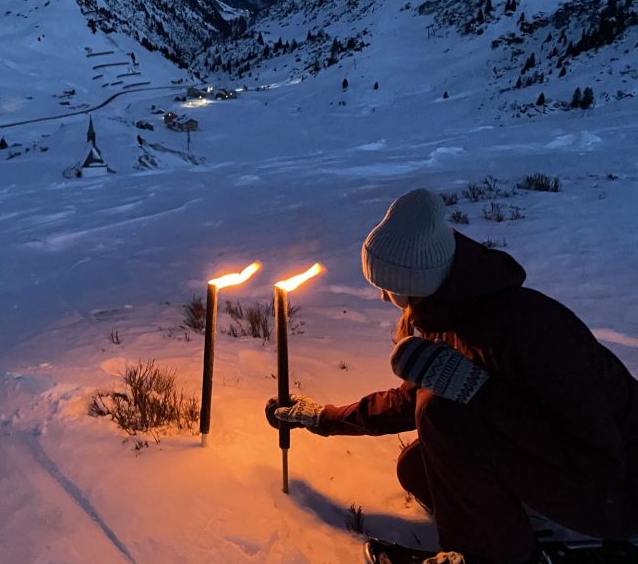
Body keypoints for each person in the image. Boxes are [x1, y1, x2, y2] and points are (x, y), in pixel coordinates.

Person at [265, 188, 638, 564]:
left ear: (420, 281)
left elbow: (598, 457)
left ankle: (490, 557)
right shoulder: (450, 312)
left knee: (441, 417)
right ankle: (521, 530)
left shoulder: (529, 330)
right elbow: (408, 399)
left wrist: (479, 394)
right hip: (579, 476)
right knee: (417, 467)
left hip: (618, 492)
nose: (383, 299)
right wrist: (323, 418)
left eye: (390, 288)